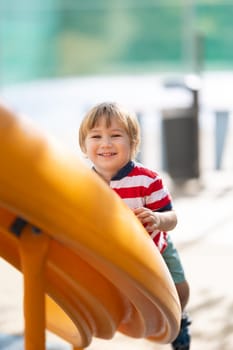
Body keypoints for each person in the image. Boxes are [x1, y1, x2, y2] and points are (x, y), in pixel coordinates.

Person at [78, 101, 191, 350]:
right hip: (112, 254)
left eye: (116, 135)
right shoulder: (83, 183)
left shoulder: (147, 180)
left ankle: (180, 321)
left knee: (181, 289)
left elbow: (171, 217)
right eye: (96, 136)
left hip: (156, 248)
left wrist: (158, 219)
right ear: (84, 146)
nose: (106, 143)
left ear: (133, 144)